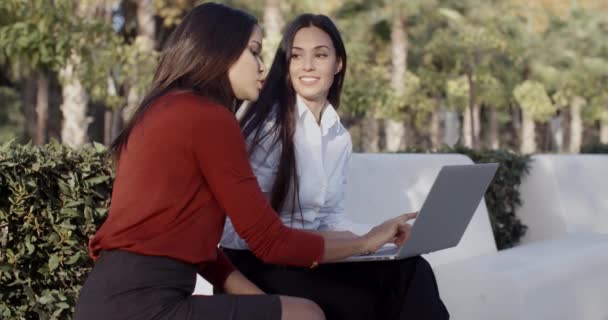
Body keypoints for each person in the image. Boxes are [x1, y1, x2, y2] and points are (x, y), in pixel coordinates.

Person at [73, 3, 414, 320]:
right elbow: (270, 240)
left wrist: (256, 297)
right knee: (307, 315)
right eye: (253, 51)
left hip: (109, 299)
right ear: (219, 52)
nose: (263, 66)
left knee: (298, 310)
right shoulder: (209, 118)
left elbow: (205, 253)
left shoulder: (166, 109)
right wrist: (367, 241)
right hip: (145, 305)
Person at [220, 13, 449, 320]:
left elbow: (329, 217)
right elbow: (241, 230)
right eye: (297, 56)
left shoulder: (337, 135)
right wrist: (357, 245)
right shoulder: (269, 128)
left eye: (321, 55)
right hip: (258, 264)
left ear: (338, 63)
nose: (308, 66)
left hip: (311, 258)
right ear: (286, 65)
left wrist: (379, 238)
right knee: (375, 296)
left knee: (411, 268)